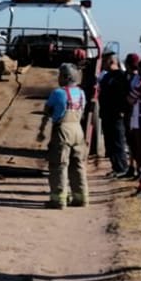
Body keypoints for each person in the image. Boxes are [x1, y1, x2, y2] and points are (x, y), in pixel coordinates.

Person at [36, 63, 89, 209]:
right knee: (77, 164)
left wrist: (41, 131)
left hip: (62, 130)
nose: (58, 78)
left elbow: (47, 111)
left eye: (60, 75)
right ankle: (81, 198)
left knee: (59, 165)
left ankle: (58, 199)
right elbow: (82, 112)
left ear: (65, 77)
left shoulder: (58, 93)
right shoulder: (81, 93)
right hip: (78, 130)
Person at [97, 52, 132, 176]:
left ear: (111, 62)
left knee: (118, 142)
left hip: (116, 115)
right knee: (110, 143)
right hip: (106, 114)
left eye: (104, 61)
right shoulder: (107, 76)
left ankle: (122, 168)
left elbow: (124, 95)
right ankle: (115, 167)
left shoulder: (121, 76)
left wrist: (122, 110)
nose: (103, 64)